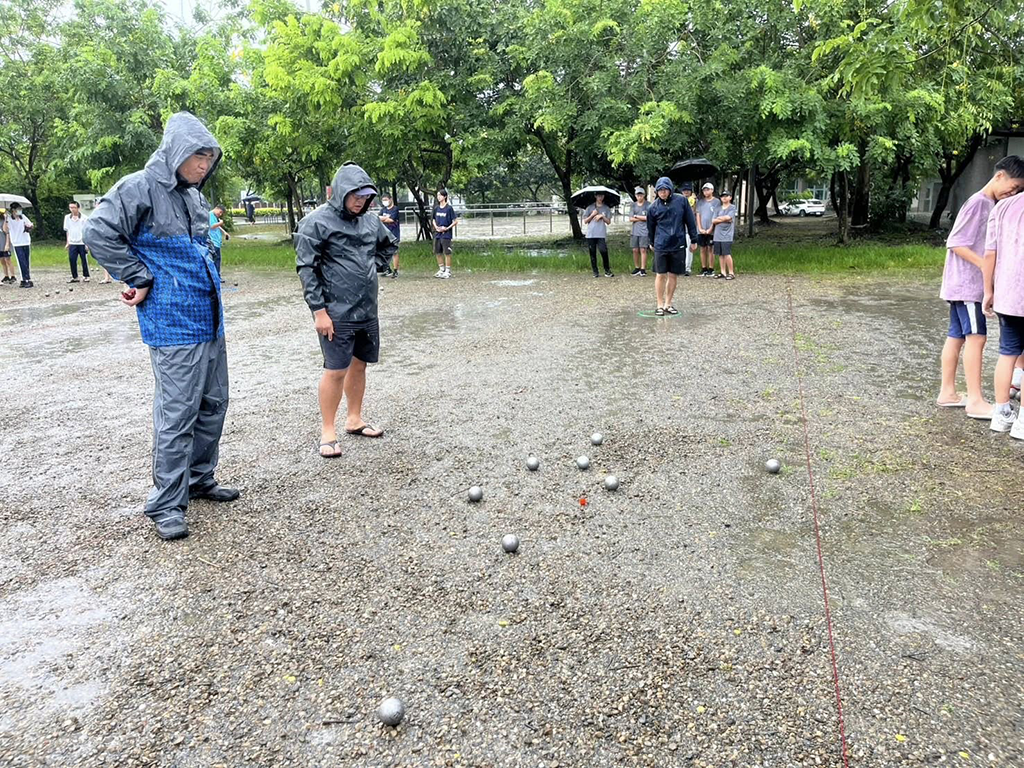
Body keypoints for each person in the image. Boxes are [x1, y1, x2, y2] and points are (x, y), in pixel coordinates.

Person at [84, 112, 238, 541]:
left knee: (214, 403)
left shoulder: (193, 197)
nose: (204, 165)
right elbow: (97, 231)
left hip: (209, 317)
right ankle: (166, 502)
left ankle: (199, 478)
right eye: (198, 156)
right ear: (176, 152)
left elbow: (204, 244)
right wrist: (138, 275)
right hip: (172, 322)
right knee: (178, 412)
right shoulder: (138, 187)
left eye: (210, 158)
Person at [295, 162, 398, 458]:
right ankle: (328, 430)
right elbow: (306, 268)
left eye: (366, 196)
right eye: (355, 195)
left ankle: (355, 419)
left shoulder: (369, 221)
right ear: (341, 191)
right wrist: (319, 311)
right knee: (335, 369)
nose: (361, 201)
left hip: (366, 309)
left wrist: (371, 267)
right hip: (336, 312)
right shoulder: (316, 222)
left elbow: (387, 246)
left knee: (359, 365)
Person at [939, 156, 1024, 419]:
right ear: (1000, 175)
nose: (1013, 192)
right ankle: (975, 400)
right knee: (977, 338)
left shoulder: (991, 204)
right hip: (968, 286)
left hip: (960, 286)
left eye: (1019, 191)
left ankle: (948, 392)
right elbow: (956, 242)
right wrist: (988, 267)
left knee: (957, 336)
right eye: (1013, 186)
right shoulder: (980, 203)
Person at [982, 168, 1024, 439]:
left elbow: (989, 252)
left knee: (1007, 353)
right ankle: (1022, 423)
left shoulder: (1003, 207)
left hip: (1007, 295)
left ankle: (1001, 414)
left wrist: (988, 290)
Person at [647, 177, 698, 316]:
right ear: (657, 192)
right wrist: (651, 242)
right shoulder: (653, 208)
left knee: (673, 275)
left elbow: (690, 221)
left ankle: (668, 303)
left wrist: (694, 239)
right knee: (660, 274)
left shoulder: (681, 201)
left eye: (665, 190)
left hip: (678, 242)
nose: (663, 192)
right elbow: (650, 227)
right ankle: (659, 304)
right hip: (661, 244)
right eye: (660, 190)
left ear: (670, 190)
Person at [583, 192, 613, 277]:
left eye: (602, 196)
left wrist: (602, 216)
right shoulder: (590, 207)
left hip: (601, 234)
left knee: (603, 251)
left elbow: (608, 222)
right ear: (595, 196)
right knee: (592, 253)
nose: (600, 197)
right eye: (598, 196)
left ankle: (607, 270)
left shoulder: (606, 208)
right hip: (591, 234)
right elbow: (585, 221)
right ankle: (595, 271)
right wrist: (592, 215)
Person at [3, 203, 33, 288]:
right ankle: (24, 279)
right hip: (17, 242)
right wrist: (5, 219)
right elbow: (5, 230)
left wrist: (29, 227)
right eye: (18, 209)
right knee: (21, 261)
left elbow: (30, 224)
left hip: (26, 241)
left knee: (27, 261)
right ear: (13, 210)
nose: (20, 211)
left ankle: (27, 278)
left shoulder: (23, 217)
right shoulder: (9, 219)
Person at [695, 182, 721, 276]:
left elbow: (716, 215)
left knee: (710, 248)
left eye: (707, 189)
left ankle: (711, 268)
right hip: (701, 228)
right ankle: (703, 268)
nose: (706, 192)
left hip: (712, 229)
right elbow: (698, 215)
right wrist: (700, 228)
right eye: (704, 190)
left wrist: (711, 228)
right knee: (702, 248)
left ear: (712, 190)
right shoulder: (700, 202)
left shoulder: (716, 202)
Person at [432, 189, 458, 279]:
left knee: (447, 252)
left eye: (440, 195)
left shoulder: (449, 208)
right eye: (437, 195)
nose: (438, 197)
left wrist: (447, 228)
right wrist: (436, 227)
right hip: (437, 233)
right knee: (437, 252)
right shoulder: (436, 208)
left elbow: (455, 221)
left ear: (445, 196)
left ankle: (447, 270)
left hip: (446, 234)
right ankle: (441, 269)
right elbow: (433, 219)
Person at [711, 191, 737, 280]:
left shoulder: (732, 207)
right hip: (717, 235)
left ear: (730, 197)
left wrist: (720, 219)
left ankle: (731, 272)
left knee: (727, 253)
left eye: (726, 196)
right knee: (720, 254)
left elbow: (729, 217)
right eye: (722, 196)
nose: (724, 198)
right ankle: (723, 272)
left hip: (727, 235)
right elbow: (713, 220)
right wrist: (723, 219)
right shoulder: (717, 208)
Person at [64, 201, 91, 283]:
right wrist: (68, 242)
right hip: (72, 242)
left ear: (78, 208)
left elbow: (86, 231)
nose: (72, 209)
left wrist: (87, 243)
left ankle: (86, 275)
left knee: (84, 259)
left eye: (74, 207)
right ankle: (75, 276)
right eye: (70, 207)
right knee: (72, 259)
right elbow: (67, 230)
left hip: (82, 242)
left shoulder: (84, 218)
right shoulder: (67, 217)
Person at [628, 186, 650, 276]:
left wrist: (637, 216)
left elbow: (649, 218)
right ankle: (637, 267)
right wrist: (641, 218)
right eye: (638, 195)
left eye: (641, 195)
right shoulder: (633, 205)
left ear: (644, 195)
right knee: (635, 249)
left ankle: (643, 268)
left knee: (643, 249)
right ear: (635, 196)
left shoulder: (648, 205)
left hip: (644, 231)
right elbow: (630, 219)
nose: (639, 197)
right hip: (635, 231)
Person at [379, 193, 401, 278]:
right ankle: (387, 269)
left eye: (386, 200)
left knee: (394, 252)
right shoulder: (383, 210)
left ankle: (395, 270)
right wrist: (385, 219)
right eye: (383, 200)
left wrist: (384, 219)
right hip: (385, 234)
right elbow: (379, 218)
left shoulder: (395, 209)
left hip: (394, 234)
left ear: (390, 199)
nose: (385, 202)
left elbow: (391, 220)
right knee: (384, 252)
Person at [208, 204, 230, 282]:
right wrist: (220, 223)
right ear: (216, 208)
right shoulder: (210, 214)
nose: (220, 214)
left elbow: (217, 226)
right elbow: (212, 226)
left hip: (217, 241)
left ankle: (217, 276)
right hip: (212, 241)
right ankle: (214, 277)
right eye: (220, 212)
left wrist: (225, 232)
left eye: (221, 214)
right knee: (214, 259)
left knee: (218, 259)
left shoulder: (215, 217)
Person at [680, 183, 696, 276]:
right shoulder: (679, 201)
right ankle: (680, 267)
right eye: (684, 190)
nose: (686, 191)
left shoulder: (694, 201)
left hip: (689, 229)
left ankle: (687, 268)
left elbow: (693, 213)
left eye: (688, 190)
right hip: (680, 229)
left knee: (689, 250)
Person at [0, 209, 13, 284]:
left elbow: (6, 232)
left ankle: (13, 275)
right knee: (2, 260)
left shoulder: (5, 221)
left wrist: (5, 218)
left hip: (5, 244)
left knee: (8, 260)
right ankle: (6, 276)